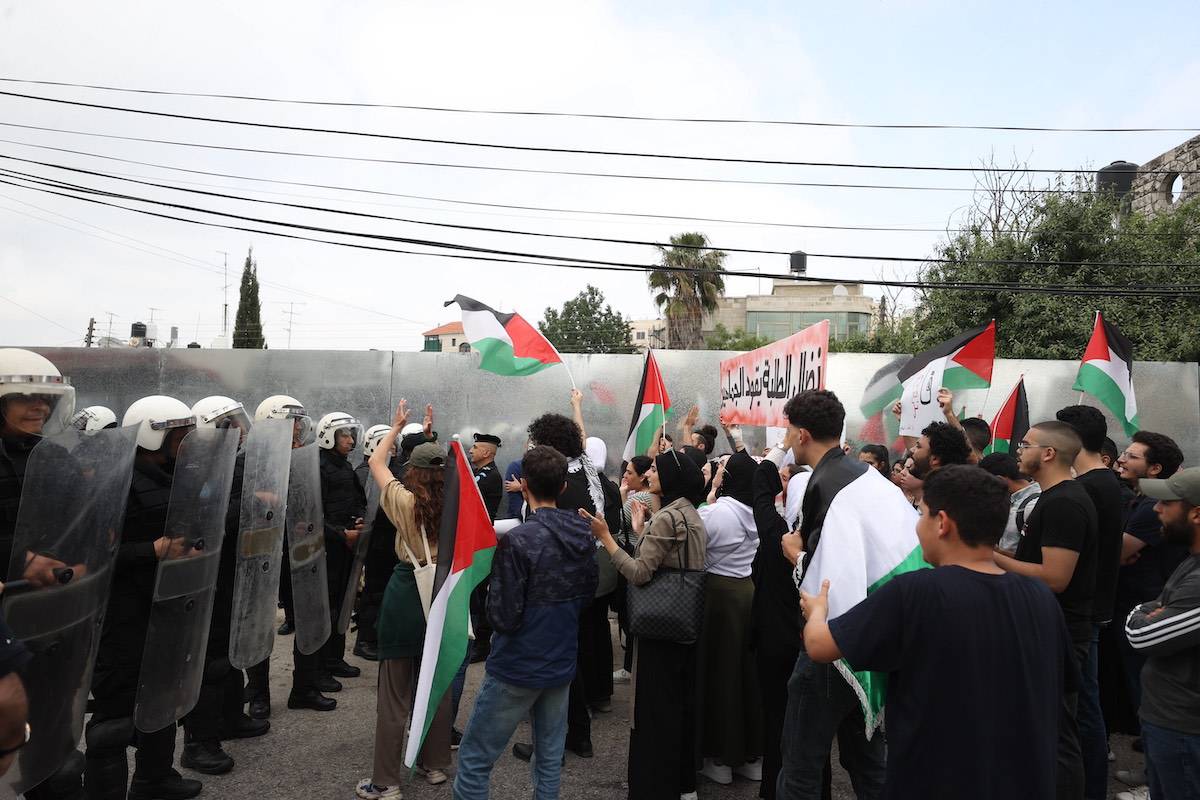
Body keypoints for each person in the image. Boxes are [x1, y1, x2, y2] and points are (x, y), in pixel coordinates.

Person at [799, 465, 1073, 799]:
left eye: (923, 514)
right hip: (1025, 781)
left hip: (934, 779)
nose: (917, 526)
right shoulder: (1040, 598)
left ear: (942, 523)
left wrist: (817, 611)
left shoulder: (915, 593)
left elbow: (819, 646)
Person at [452, 444, 598, 800]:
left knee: (474, 759)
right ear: (563, 486)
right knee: (548, 759)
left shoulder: (519, 541)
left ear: (525, 485)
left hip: (517, 665)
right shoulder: (584, 533)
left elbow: (502, 614)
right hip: (561, 662)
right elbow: (587, 592)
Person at [770, 390, 891, 800]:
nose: (786, 439)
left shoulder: (826, 483)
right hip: (872, 633)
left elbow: (829, 574)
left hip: (834, 641)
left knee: (801, 762)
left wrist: (794, 555)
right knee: (867, 758)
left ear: (802, 434)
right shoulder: (864, 475)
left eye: (789, 431)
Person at [86, 395, 203, 800]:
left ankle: (155, 778)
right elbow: (91, 554)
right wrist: (150, 551)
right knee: (115, 713)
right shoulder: (112, 481)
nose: (186, 440)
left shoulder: (173, 476)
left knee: (163, 695)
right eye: (178, 433)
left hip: (166, 602)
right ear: (154, 436)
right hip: (124, 614)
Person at [584, 447, 706, 800]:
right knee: (678, 705)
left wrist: (606, 537)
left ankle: (655, 785)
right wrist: (641, 530)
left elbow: (640, 573)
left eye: (655, 469)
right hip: (682, 623)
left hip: (660, 627)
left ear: (671, 478)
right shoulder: (686, 512)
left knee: (655, 710)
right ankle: (683, 783)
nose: (649, 473)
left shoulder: (667, 517)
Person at [994, 421, 1098, 800]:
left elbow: (1055, 578)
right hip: (1045, 629)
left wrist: (989, 557)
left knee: (1056, 734)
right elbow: (1031, 560)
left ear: (1049, 453)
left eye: (1026, 444)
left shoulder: (1065, 503)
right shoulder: (1053, 498)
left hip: (1060, 633)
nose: (1019, 451)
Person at [0, 349, 86, 799]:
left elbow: (85, 517)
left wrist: (83, 555)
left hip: (55, 612)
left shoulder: (54, 456)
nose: (39, 406)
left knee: (54, 737)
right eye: (26, 396)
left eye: (46, 399)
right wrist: (22, 563)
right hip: (5, 618)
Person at [357, 402, 452, 799]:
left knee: (394, 694)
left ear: (411, 471)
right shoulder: (458, 503)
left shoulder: (404, 501)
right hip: (443, 594)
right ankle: (435, 766)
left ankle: (387, 781)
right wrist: (431, 439)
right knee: (436, 683)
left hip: (405, 592)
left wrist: (396, 428)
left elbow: (377, 463)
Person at [179, 396, 268, 776]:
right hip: (205, 576)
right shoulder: (197, 468)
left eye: (238, 422)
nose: (239, 430)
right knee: (209, 660)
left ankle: (231, 719)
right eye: (229, 424)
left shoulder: (230, 465)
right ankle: (200, 742)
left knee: (229, 653)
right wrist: (248, 502)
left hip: (233, 570)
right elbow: (206, 518)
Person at [244, 394, 338, 717]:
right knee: (257, 622)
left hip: (298, 549)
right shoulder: (250, 459)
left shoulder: (303, 458)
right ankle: (257, 694)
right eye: (291, 423)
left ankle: (305, 687)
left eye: (299, 423)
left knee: (309, 616)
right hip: (260, 552)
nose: (297, 430)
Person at [1056, 405, 1125, 800]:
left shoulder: (1092, 488)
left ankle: (1090, 787)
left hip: (1085, 614)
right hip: (1090, 610)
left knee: (1083, 709)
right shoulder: (1096, 484)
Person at [1113, 430, 1186, 789]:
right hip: (1140, 606)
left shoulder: (1145, 510)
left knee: (1148, 691)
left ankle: (1151, 778)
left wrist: (1117, 556)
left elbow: (1117, 554)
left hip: (1147, 612)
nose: (1122, 459)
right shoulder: (1137, 502)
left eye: (1133, 456)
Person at [1124, 466, 1200, 800]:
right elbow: (1153, 609)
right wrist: (1148, 611)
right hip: (1169, 723)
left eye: (1166, 502)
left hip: (1184, 729)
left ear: (1196, 513)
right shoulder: (1192, 562)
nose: (1156, 508)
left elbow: (1144, 636)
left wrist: (1142, 614)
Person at [696, 450, 763, 786]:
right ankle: (751, 756)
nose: (718, 472)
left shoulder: (719, 513)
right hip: (746, 592)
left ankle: (719, 759)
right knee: (745, 675)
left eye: (722, 469)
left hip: (718, 598)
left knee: (719, 675)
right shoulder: (757, 511)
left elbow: (694, 545)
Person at [316, 411, 367, 685]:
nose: (350, 440)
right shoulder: (319, 466)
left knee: (342, 604)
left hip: (347, 543)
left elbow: (358, 501)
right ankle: (321, 667)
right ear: (328, 437)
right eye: (344, 435)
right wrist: (341, 534)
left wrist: (358, 521)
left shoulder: (345, 467)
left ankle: (335, 659)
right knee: (328, 607)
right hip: (328, 548)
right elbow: (314, 513)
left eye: (350, 434)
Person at [352, 424, 398, 661]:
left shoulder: (385, 470)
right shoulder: (365, 473)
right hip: (375, 543)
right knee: (373, 592)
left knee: (379, 593)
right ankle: (365, 640)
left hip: (385, 543)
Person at [613, 454, 654, 684]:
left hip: (630, 557)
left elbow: (617, 523)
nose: (625, 476)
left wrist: (620, 495)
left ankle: (629, 667)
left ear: (643, 476)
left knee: (628, 615)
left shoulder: (637, 498)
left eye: (630, 472)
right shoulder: (653, 498)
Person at [468, 432, 503, 666]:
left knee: (479, 593)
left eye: (475, 447)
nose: (471, 450)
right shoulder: (481, 473)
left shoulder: (489, 477)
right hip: (474, 539)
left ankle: (481, 644)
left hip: (480, 541)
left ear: (487, 453)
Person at [978, 452, 1040, 553]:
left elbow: (1019, 556)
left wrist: (988, 550)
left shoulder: (1028, 507)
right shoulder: (1042, 495)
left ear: (999, 480)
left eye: (985, 483)